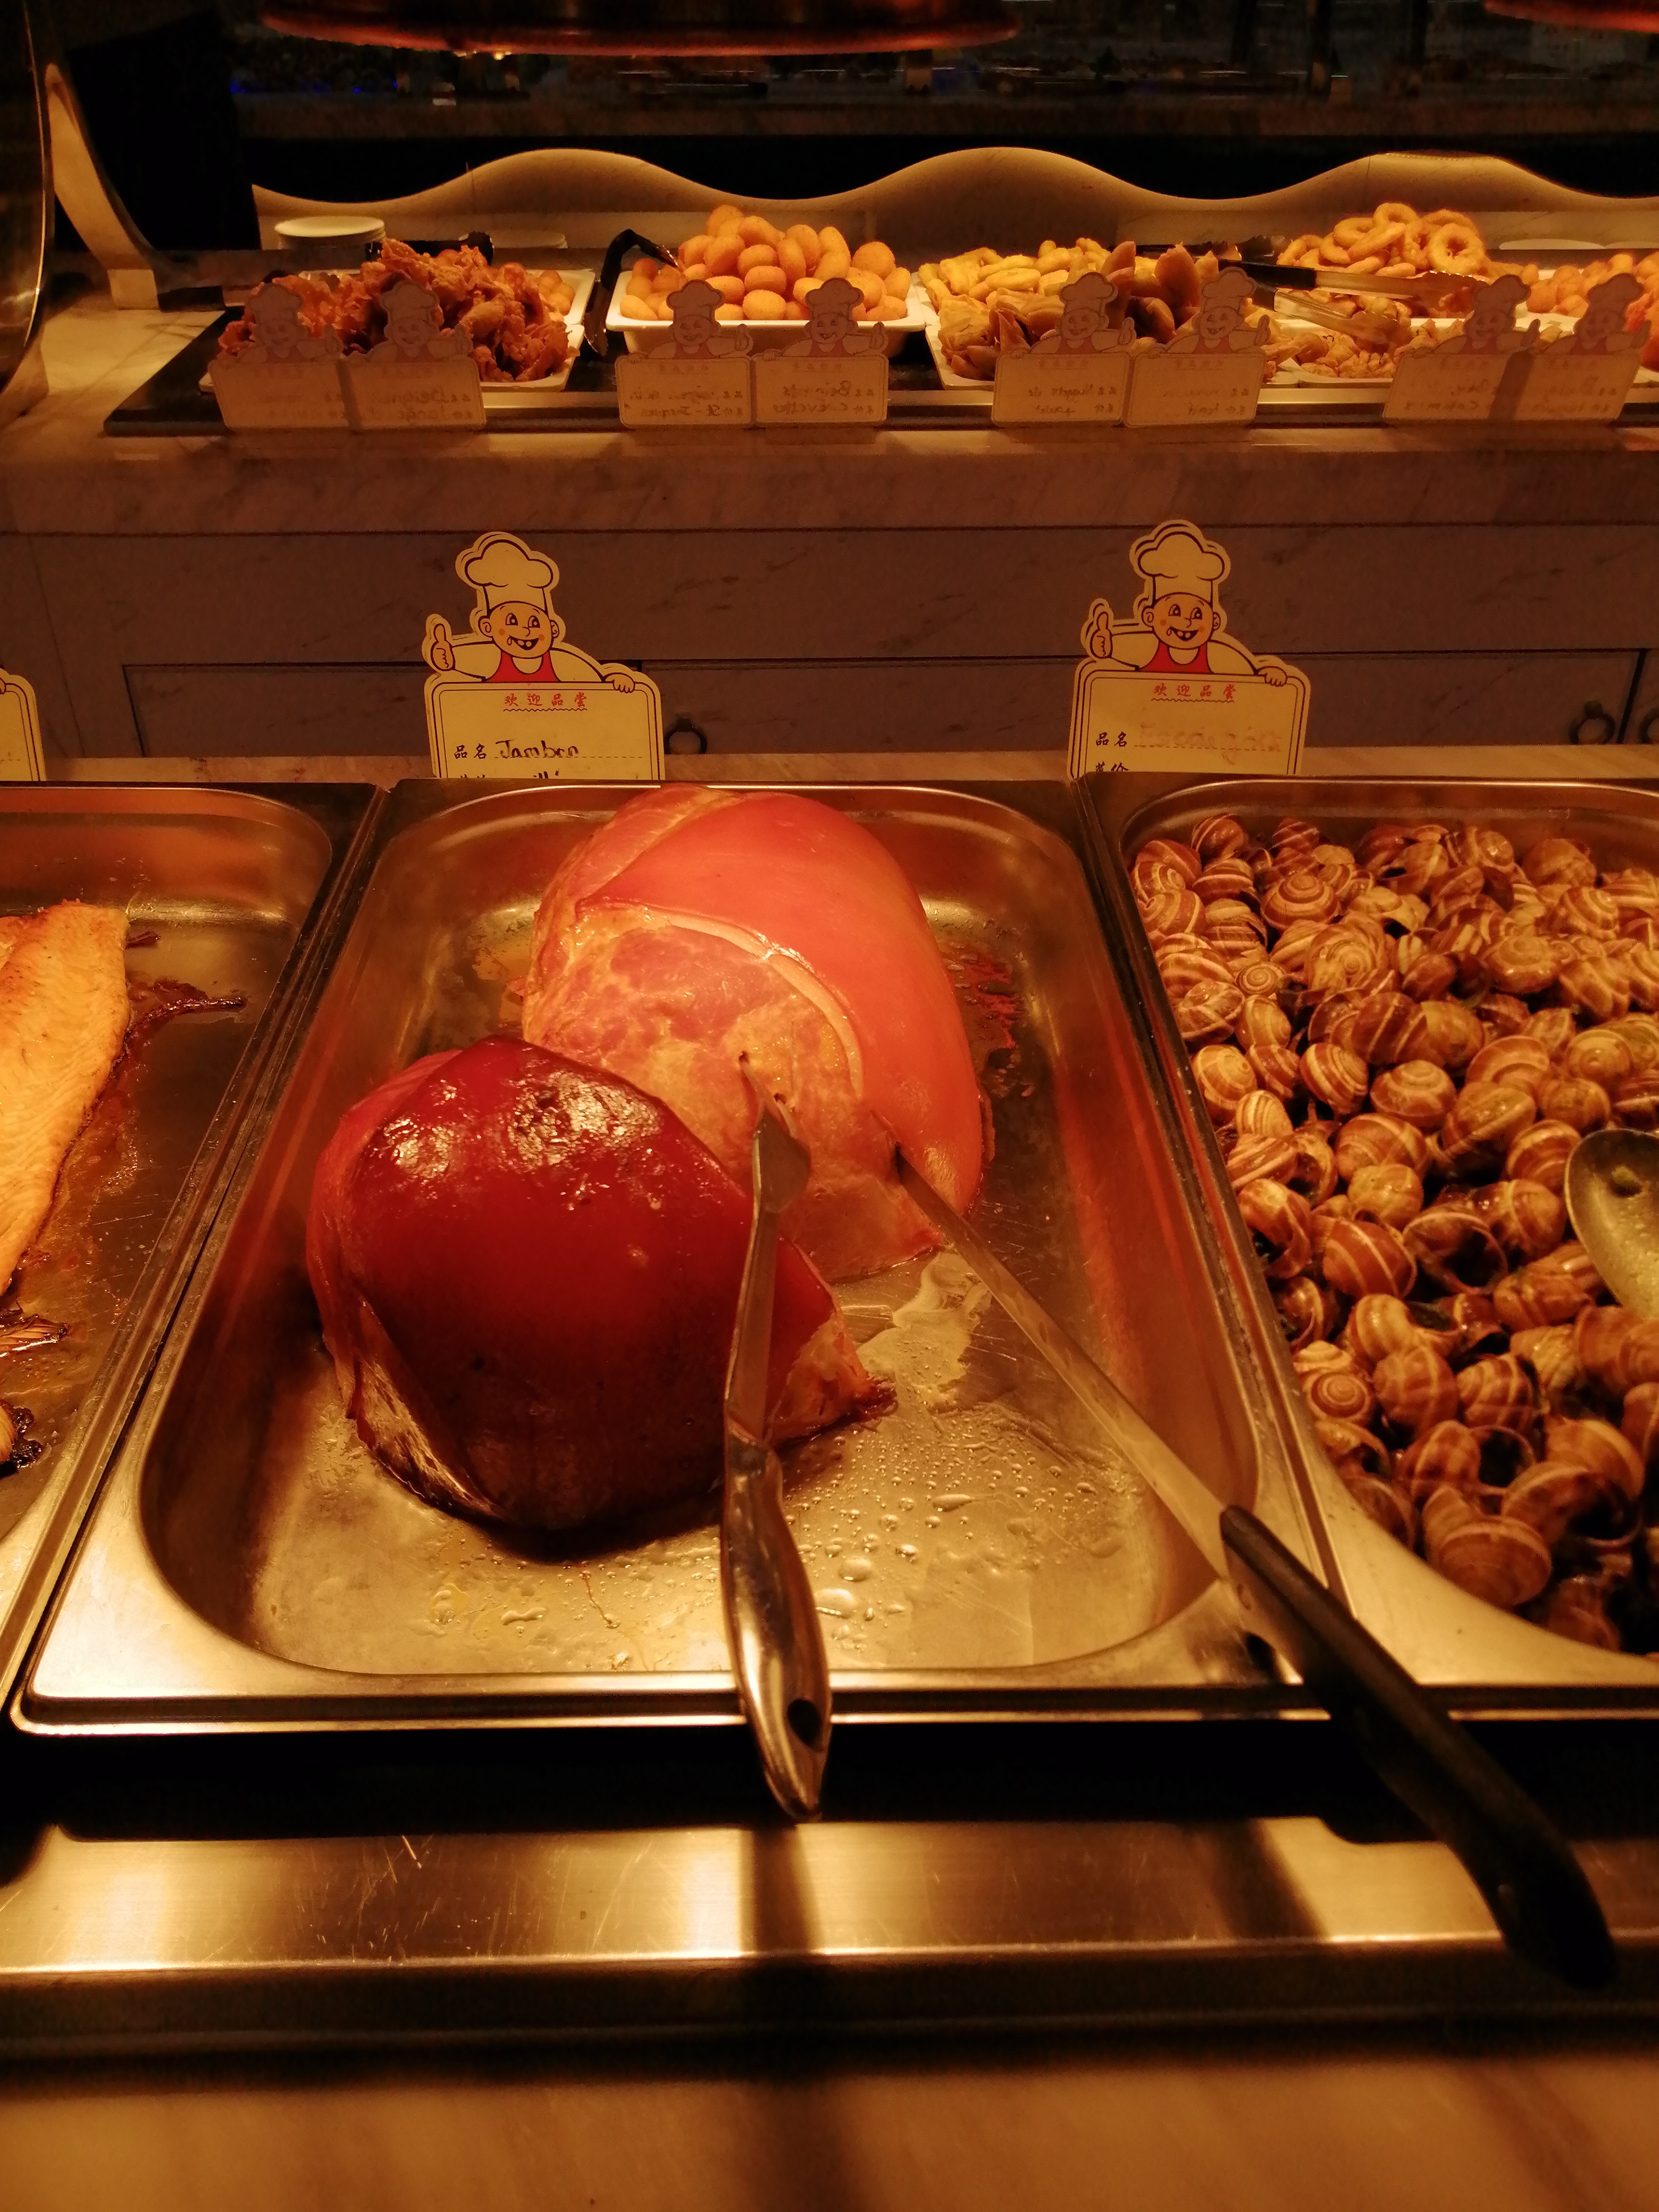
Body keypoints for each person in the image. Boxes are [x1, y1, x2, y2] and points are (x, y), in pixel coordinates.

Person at [423, 534, 637, 692]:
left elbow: (595, 680)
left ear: (553, 629)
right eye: (512, 621)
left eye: (535, 623)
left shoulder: (559, 661)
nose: (525, 630)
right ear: (487, 627)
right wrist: (444, 656)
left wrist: (615, 680)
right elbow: (454, 660)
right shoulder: (492, 659)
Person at [1084, 520, 1287, 684]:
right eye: (1175, 611)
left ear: (1214, 621)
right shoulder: (1149, 649)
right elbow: (1113, 648)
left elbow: (1250, 675)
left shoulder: (1216, 654)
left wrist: (1268, 674)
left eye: (1198, 614)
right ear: (1149, 616)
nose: (1187, 621)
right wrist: (1103, 644)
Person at [1168, 265, 1267, 353]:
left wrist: (1260, 336)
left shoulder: (1235, 338)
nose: (1216, 323)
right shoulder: (1192, 338)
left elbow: (1251, 340)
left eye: (1224, 318)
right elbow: (1175, 348)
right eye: (1210, 318)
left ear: (1237, 322)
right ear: (1200, 319)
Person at [1033, 269, 1129, 355]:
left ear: (1100, 322)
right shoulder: (1057, 340)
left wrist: (1125, 335)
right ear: (1060, 324)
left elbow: (1119, 340)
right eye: (1071, 320)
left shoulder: (1098, 339)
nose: (1077, 324)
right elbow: (1038, 350)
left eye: (1085, 319)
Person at [784, 276, 885, 356]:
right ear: (809, 327)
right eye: (820, 324)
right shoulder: (807, 345)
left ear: (849, 326)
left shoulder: (848, 343)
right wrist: (778, 356)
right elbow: (793, 351)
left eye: (834, 323)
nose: (827, 329)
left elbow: (866, 344)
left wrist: (876, 339)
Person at [370, 281, 466, 363]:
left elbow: (455, 348)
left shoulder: (433, 347)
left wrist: (461, 342)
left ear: (429, 330)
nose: (409, 333)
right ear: (391, 333)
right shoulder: (389, 352)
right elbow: (374, 360)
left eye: (415, 328)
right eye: (402, 329)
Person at [660, 278, 752, 359]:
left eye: (697, 326)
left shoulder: (712, 346)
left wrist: (741, 340)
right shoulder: (672, 349)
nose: (690, 331)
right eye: (683, 327)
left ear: (713, 329)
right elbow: (659, 354)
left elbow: (736, 345)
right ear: (673, 330)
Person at [1569, 273, 1646, 355]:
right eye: (1592, 321)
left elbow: (1633, 343)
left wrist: (1642, 334)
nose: (1597, 326)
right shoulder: (1573, 343)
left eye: (1606, 321)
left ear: (1619, 323)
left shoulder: (1612, 343)